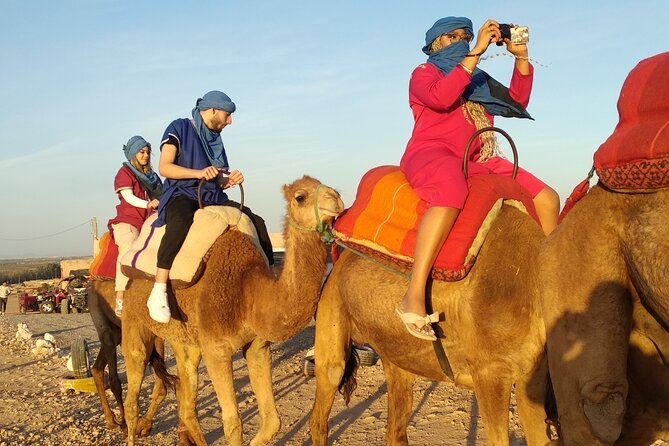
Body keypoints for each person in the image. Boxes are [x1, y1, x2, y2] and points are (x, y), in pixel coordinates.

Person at [397, 17, 560, 341]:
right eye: (453, 37)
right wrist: (476, 51)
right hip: (433, 153)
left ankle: (556, 281)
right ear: (435, 44)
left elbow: (517, 100)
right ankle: (413, 294)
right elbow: (441, 98)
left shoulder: (477, 80)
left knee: (547, 197)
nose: (461, 41)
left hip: (479, 157)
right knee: (449, 193)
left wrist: (520, 56)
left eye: (466, 36)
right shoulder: (424, 73)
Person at [146, 90, 273, 323]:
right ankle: (159, 289)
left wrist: (229, 181)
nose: (230, 121)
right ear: (213, 110)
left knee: (257, 222)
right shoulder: (179, 128)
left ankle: (271, 284)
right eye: (227, 115)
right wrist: (198, 173)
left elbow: (217, 180)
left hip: (212, 196)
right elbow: (165, 167)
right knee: (180, 223)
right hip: (182, 194)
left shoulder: (216, 141)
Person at [108, 136, 163, 317]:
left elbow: (162, 195)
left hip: (147, 219)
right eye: (142, 152)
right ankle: (121, 296)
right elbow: (128, 196)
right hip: (128, 219)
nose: (146, 155)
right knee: (129, 245)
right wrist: (148, 204)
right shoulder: (124, 173)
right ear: (133, 154)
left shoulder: (152, 178)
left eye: (148, 152)